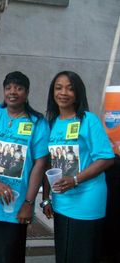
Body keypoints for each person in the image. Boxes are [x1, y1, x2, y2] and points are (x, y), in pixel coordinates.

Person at [0, 71, 49, 263]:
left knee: (12, 255)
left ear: (27, 92)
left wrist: (28, 203)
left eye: (18, 88)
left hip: (18, 205)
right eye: (8, 88)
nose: (12, 92)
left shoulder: (37, 123)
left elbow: (40, 165)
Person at [42, 71, 114, 263]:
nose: (63, 92)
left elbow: (106, 159)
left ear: (78, 93)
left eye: (70, 88)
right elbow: (48, 163)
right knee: (64, 254)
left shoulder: (88, 120)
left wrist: (75, 180)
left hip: (88, 198)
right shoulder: (51, 123)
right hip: (61, 200)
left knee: (83, 255)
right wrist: (46, 198)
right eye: (58, 88)